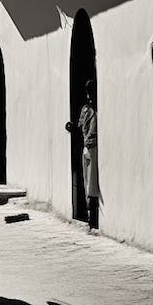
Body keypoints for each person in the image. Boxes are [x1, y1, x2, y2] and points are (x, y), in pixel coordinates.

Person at [67, 79, 99, 232]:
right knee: (87, 182)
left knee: (91, 184)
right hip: (87, 147)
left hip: (93, 148)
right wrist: (72, 127)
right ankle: (89, 217)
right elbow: (79, 127)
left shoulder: (95, 109)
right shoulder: (86, 109)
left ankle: (93, 218)